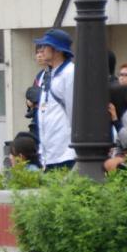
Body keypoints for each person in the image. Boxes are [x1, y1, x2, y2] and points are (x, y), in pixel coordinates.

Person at [34, 28, 76, 170]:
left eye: (46, 46)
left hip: (65, 152)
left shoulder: (70, 73)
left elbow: (73, 112)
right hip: (49, 152)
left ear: (57, 50)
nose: (42, 50)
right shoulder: (47, 74)